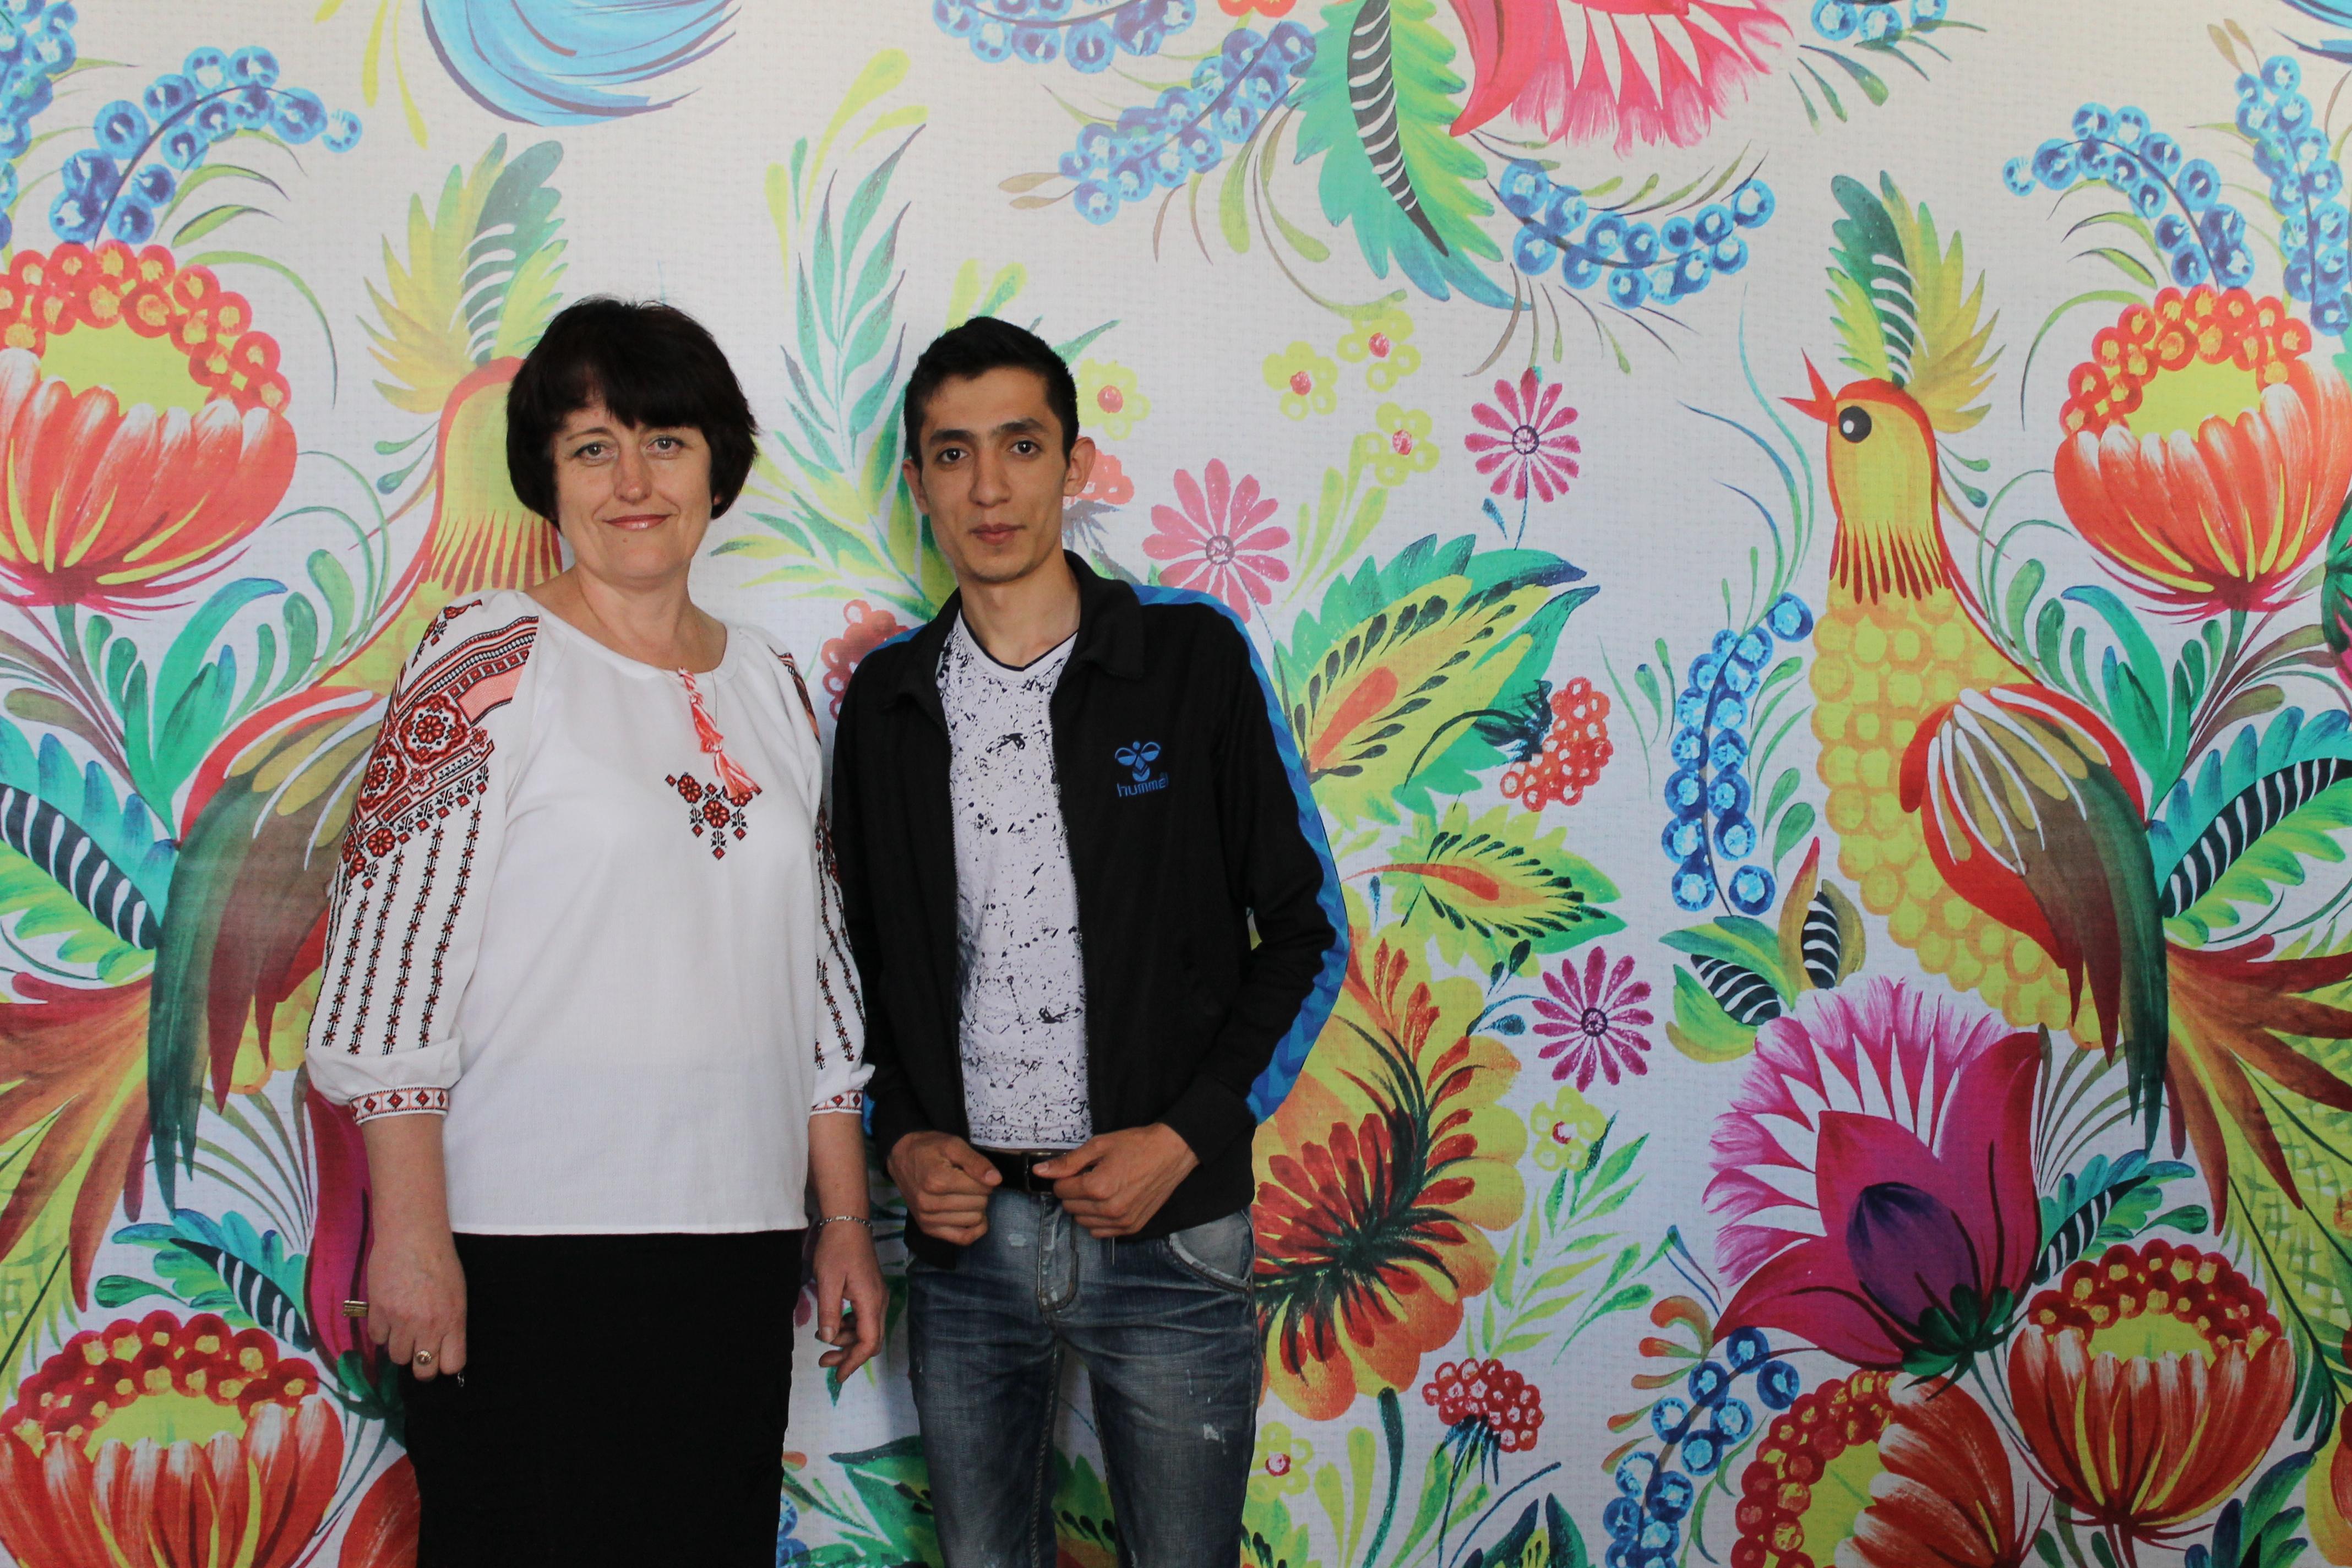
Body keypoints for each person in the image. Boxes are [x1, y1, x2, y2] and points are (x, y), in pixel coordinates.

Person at [303, 297, 882, 1566]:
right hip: (522, 1244)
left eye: (665, 441)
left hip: (739, 1240)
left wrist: (843, 1219)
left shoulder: (773, 682)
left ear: (717, 466)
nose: (633, 482)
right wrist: (413, 1235)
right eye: (592, 447)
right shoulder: (486, 659)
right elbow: (391, 963)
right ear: (546, 478)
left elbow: (821, 976)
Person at [830, 315, 1347, 1567]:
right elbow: (858, 975)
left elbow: (1308, 932)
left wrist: (1185, 1138)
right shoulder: (887, 702)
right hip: (967, 1246)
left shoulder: (1187, 657)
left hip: (1169, 1232)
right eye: (952, 454)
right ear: (918, 483)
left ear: (1076, 465)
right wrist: (902, 1136)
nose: (989, 487)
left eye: (1021, 446)